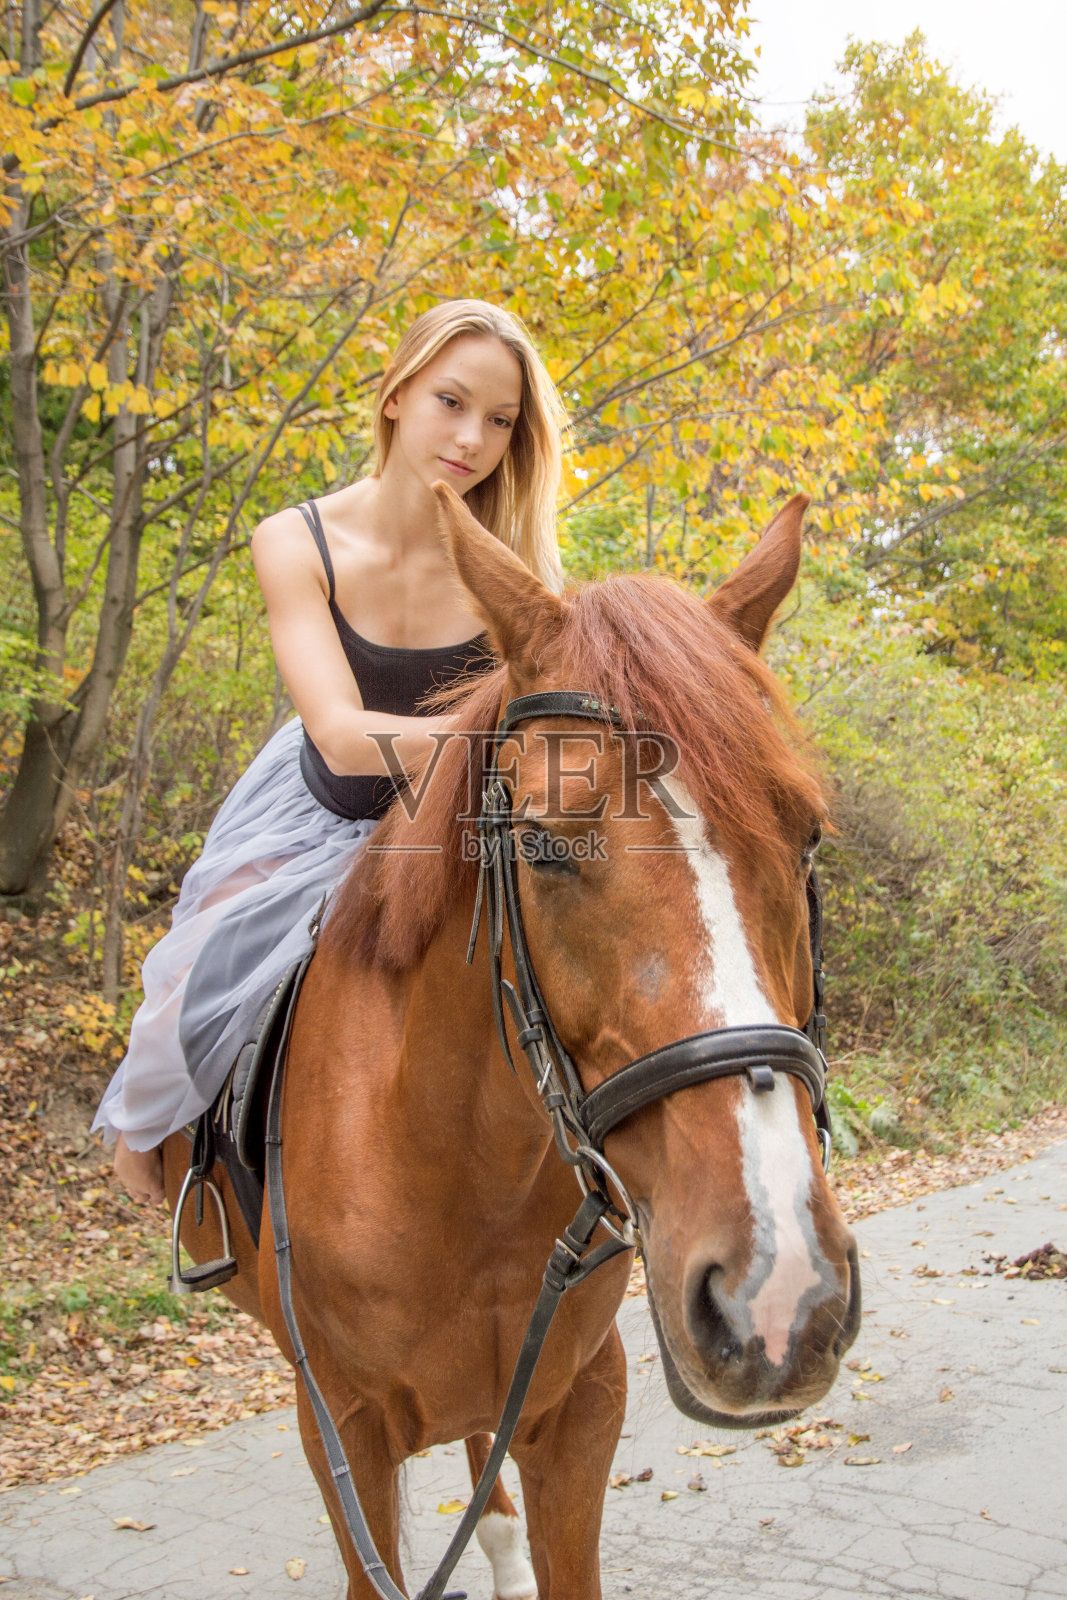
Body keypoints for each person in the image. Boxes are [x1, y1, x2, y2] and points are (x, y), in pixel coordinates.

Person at [93, 299, 568, 1204]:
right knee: (196, 976)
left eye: (500, 422)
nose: (472, 438)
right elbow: (345, 741)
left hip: (447, 818)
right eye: (451, 401)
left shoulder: (511, 566)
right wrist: (488, 742)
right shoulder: (296, 539)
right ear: (396, 395)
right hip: (320, 803)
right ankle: (175, 1169)